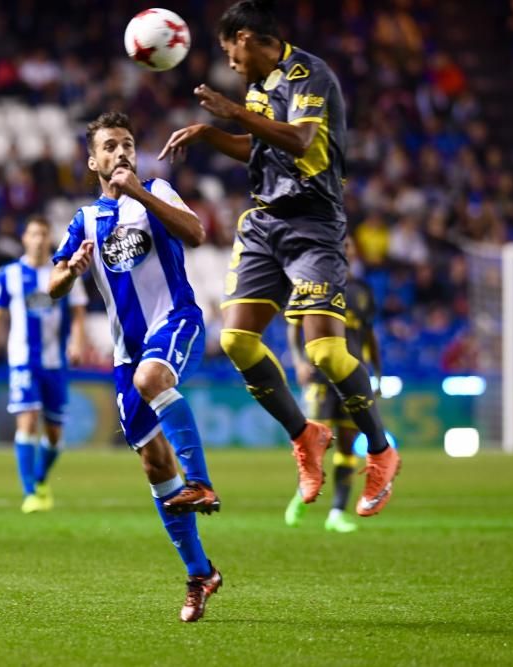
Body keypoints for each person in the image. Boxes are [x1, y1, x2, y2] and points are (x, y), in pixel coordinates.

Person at [159, 0, 400, 517]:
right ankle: (304, 435)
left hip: (313, 223)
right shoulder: (258, 89)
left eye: (230, 51)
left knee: (327, 355)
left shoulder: (309, 74)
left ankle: (381, 450)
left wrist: (232, 111)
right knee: (236, 341)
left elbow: (301, 138)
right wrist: (210, 134)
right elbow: (260, 148)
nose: (230, 64)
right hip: (266, 221)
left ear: (245, 37)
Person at [50, 111, 221, 623]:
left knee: (153, 380)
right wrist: (72, 272)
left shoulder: (159, 191)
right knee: (154, 466)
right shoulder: (85, 219)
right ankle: (200, 574)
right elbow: (52, 283)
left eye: (127, 144)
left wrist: (139, 194)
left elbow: (196, 233)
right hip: (126, 353)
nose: (121, 153)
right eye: (110, 147)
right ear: (93, 160)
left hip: (176, 321)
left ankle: (203, 481)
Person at [0, 215, 89, 513]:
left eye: (43, 234)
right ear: (24, 239)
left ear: (50, 240)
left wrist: (77, 343)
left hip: (54, 362)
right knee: (27, 420)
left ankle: (40, 478)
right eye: (33, 234)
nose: (39, 239)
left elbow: (79, 313)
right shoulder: (9, 274)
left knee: (54, 434)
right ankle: (30, 492)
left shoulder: (64, 272)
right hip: (22, 361)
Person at [285, 241, 383, 532]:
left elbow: (368, 334)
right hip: (320, 376)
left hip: (353, 374)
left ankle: (337, 512)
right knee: (314, 442)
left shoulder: (362, 291)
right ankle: (303, 492)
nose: (347, 250)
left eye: (350, 246)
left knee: (347, 445)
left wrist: (378, 371)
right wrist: (300, 361)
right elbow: (294, 328)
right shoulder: (311, 283)